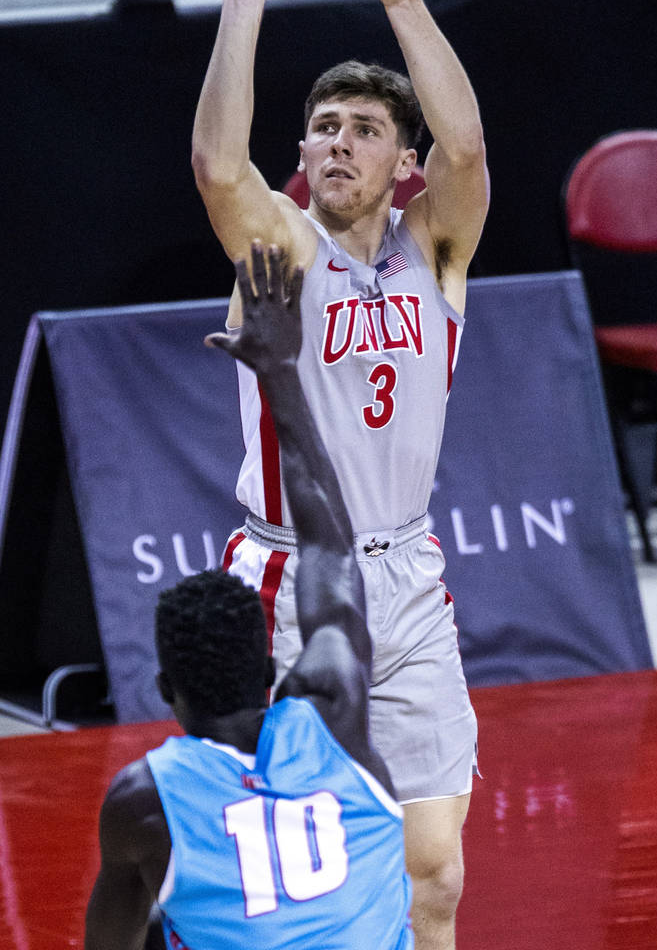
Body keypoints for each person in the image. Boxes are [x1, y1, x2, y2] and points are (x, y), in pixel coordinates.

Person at [192, 0, 489, 950]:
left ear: (402, 164)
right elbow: (219, 169)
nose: (337, 144)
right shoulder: (282, 244)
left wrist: (403, 5)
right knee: (279, 874)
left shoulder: (436, 246)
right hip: (283, 579)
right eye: (323, 128)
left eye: (363, 129)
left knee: (437, 874)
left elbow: (467, 144)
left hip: (406, 577)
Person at [85, 243, 413, 950]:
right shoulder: (335, 713)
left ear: (166, 689)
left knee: (154, 917)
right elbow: (327, 541)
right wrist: (281, 370)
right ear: (271, 673)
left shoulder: (141, 799)